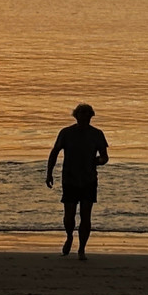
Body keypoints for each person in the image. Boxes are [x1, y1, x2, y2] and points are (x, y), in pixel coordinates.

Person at [46, 103, 109, 260]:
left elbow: (104, 156)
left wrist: (99, 161)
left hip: (89, 179)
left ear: (91, 116)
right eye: (82, 113)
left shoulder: (97, 134)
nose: (85, 116)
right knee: (69, 215)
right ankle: (69, 236)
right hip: (70, 178)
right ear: (76, 115)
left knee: (86, 215)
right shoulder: (66, 133)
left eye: (88, 114)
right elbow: (54, 153)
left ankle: (82, 249)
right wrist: (49, 174)